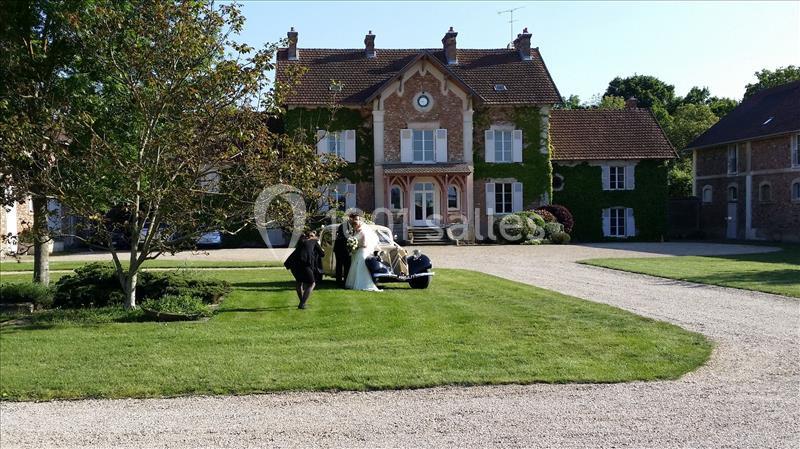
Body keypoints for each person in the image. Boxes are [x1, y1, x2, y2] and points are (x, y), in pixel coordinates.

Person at [284, 231, 325, 309]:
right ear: (312, 236)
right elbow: (322, 254)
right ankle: (302, 303)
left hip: (294, 264)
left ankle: (302, 302)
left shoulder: (301, 241)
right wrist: (322, 249)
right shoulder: (314, 241)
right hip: (304, 264)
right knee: (312, 283)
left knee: (299, 282)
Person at [344, 217, 381, 292]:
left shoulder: (363, 232)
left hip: (362, 251)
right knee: (355, 266)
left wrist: (356, 245)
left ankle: (363, 283)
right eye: (354, 225)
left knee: (361, 267)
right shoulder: (356, 232)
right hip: (357, 251)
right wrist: (353, 245)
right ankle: (353, 283)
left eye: (355, 225)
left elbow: (365, 244)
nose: (355, 227)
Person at [333, 213, 356, 286]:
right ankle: (340, 281)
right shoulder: (344, 225)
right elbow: (345, 236)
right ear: (350, 218)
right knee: (342, 265)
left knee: (345, 265)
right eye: (354, 219)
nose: (354, 221)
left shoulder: (349, 225)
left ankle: (344, 280)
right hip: (341, 248)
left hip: (342, 248)